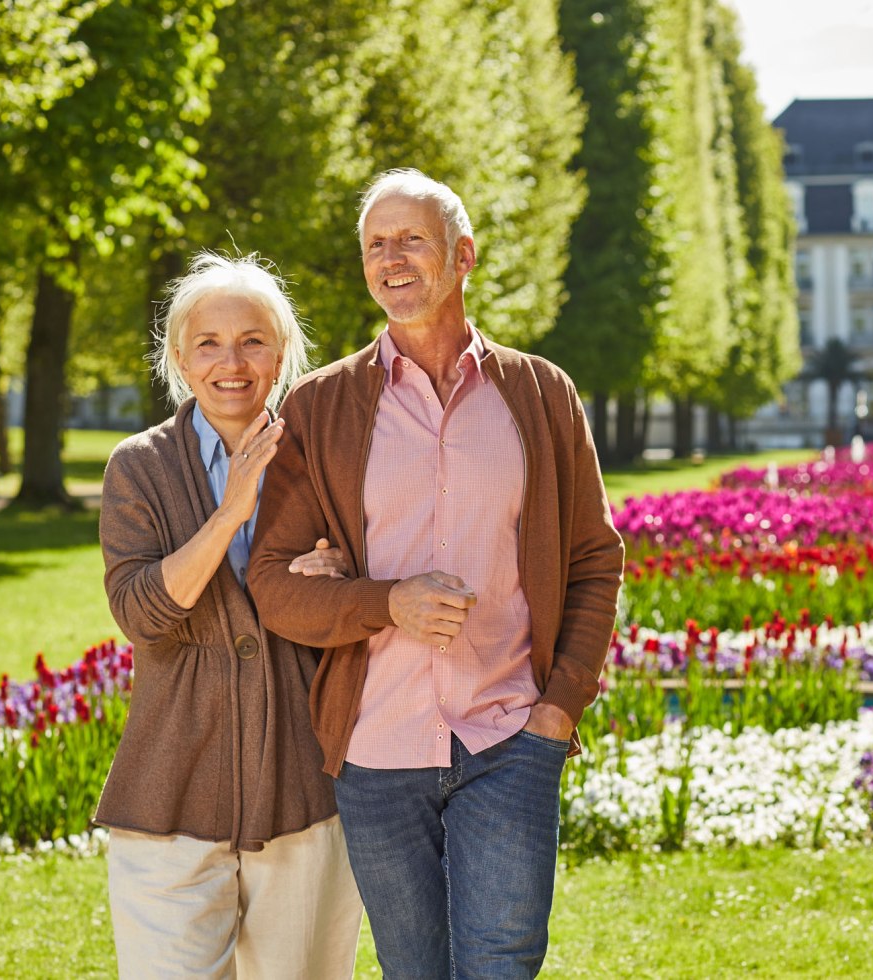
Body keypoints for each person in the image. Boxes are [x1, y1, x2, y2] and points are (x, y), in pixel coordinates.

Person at [247, 169, 624, 979]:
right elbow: (272, 581)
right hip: (378, 747)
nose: (392, 259)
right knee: (411, 970)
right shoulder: (320, 406)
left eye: (411, 239)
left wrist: (558, 709)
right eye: (375, 245)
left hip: (510, 735)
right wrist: (385, 602)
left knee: (501, 963)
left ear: (463, 255)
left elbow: (597, 558)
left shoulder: (541, 393)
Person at [97, 252, 362, 979]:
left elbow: (370, 603)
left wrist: (342, 576)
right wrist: (229, 515)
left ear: (282, 352)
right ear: (179, 357)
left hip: (304, 792)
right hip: (169, 796)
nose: (231, 362)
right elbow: (141, 613)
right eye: (208, 343)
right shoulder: (138, 467)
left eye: (253, 340)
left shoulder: (327, 460)